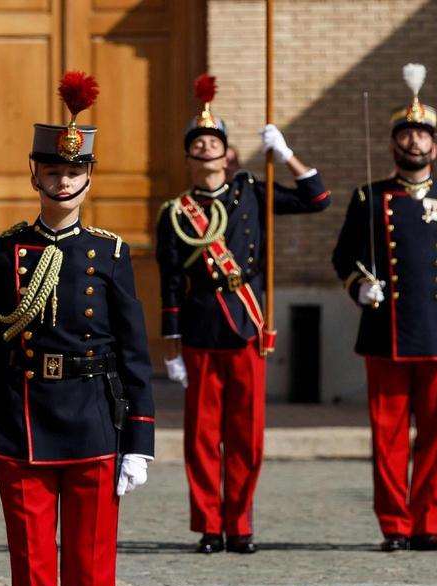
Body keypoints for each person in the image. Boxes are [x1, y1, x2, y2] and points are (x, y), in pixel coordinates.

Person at [0, 71, 154, 586]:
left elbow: (133, 352)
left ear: (88, 176)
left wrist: (140, 440)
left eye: (76, 168)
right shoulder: (7, 252)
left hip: (94, 429)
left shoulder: (109, 253)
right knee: (32, 583)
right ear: (36, 175)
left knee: (89, 583)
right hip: (22, 427)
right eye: (54, 168)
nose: (65, 179)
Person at [156, 74, 331, 555]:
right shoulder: (175, 211)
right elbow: (170, 280)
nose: (207, 149)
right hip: (199, 330)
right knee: (201, 439)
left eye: (214, 142)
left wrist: (286, 155)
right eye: (199, 144)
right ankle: (210, 526)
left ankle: (241, 523)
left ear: (227, 153)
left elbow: (318, 200)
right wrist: (170, 343)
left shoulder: (253, 190)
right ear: (190, 157)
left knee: (247, 438)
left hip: (249, 327)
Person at [331, 64, 437, 553]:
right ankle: (394, 525)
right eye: (406, 134)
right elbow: (342, 256)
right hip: (386, 332)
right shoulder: (368, 196)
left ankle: (428, 524)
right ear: (393, 145)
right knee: (390, 439)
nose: (414, 142)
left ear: (434, 146)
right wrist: (359, 287)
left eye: (422, 135)